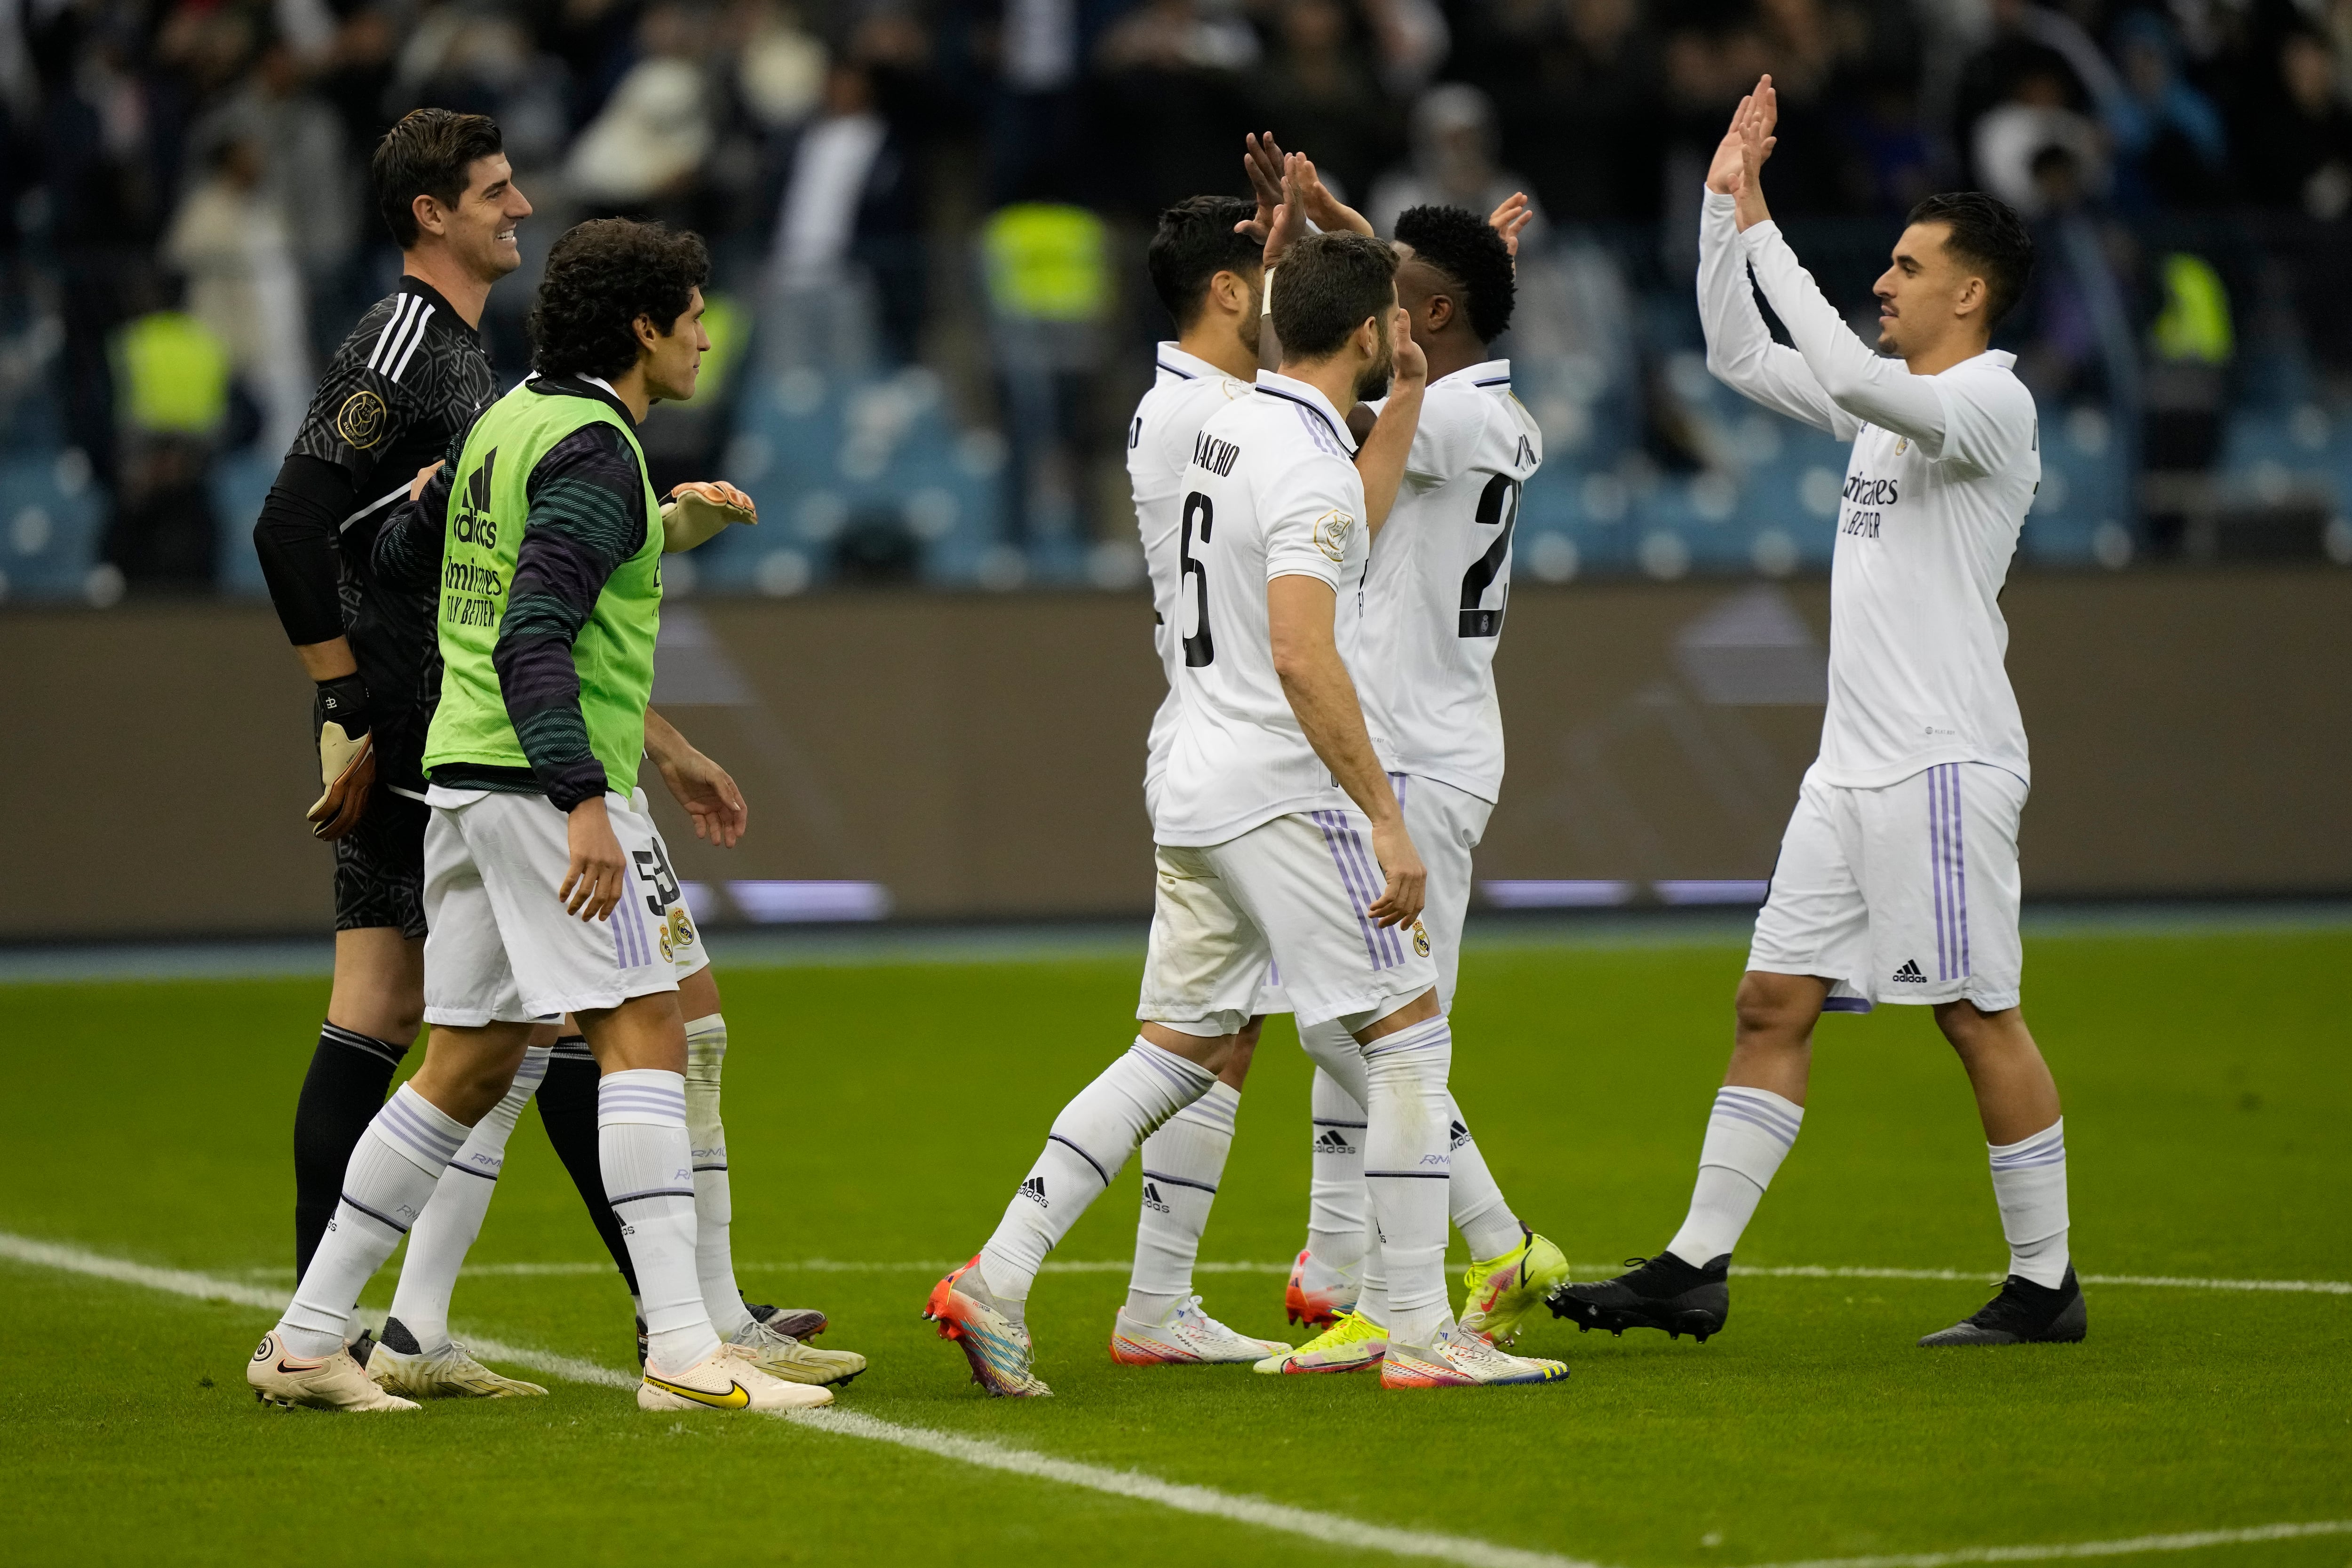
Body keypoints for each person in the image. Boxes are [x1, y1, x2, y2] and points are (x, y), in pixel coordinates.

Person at [924, 217, 1568, 1396]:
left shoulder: (1227, 427)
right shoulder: (1306, 456)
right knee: (1409, 1035)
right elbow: (1305, 652)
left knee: (1176, 1047)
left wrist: (1407, 400)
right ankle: (1423, 1328)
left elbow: (1347, 522)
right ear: (1371, 331)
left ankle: (998, 1272)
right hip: (1282, 786)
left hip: (1192, 780)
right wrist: (1381, 810)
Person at [250, 109, 831, 1399]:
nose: (706, 337)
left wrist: (654, 534)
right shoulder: (594, 448)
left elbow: (392, 551)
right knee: (644, 1031)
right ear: (642, 328)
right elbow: (531, 628)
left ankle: (304, 1335)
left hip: (455, 775)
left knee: (462, 1060)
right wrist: (583, 797)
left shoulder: (509, 421)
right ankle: (684, 1345)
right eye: (692, 315)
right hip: (533, 781)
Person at [1550, 78, 2081, 1350]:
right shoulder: (1885, 417)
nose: (1885, 282)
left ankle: (2046, 1282)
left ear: (1971, 293)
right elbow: (1739, 354)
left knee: (1974, 1011)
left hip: (1942, 766)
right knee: (1771, 1002)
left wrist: (1766, 218)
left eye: (1906, 267)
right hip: (1851, 773)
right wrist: (1719, 199)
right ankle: (1693, 1263)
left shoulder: (1989, 407)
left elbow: (1840, 357)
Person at [1266, 196, 1564, 1378]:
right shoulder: (1489, 408)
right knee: (1363, 1022)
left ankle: (1492, 1248)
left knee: (1375, 1028)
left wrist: (1285, 264)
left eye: (1393, 297)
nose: (1370, 315)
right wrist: (1337, 219)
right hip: (1415, 744)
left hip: (1417, 760)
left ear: (1428, 321)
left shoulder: (1432, 423)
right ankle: (1366, 1285)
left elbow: (1315, 384)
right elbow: (1390, 316)